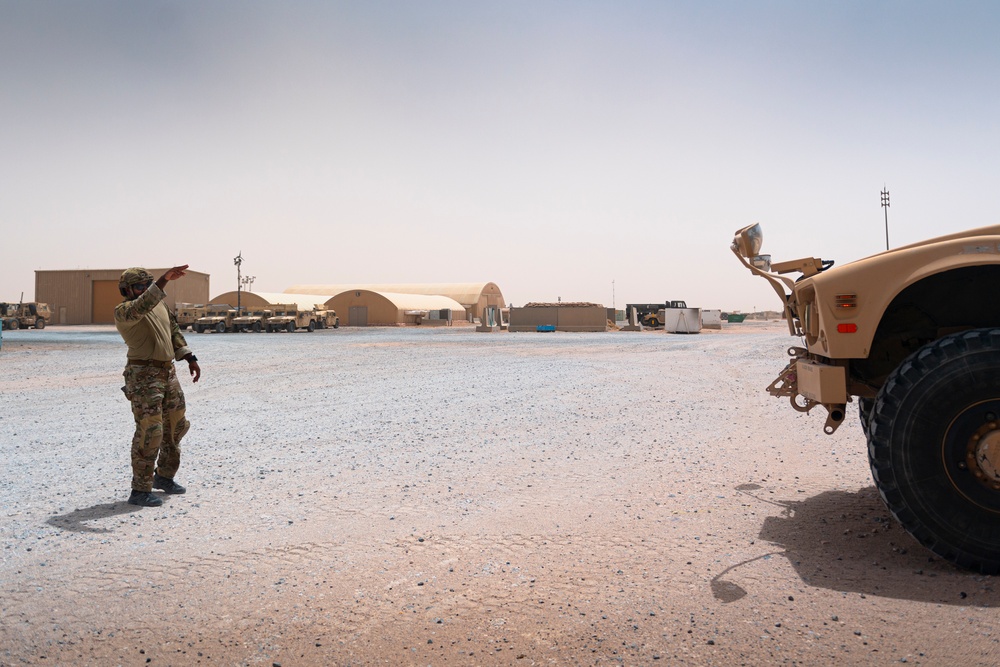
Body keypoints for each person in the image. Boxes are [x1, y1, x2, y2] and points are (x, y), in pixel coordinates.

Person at [115, 265, 202, 507]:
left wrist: (189, 357)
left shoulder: (159, 305)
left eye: (147, 285)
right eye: (140, 286)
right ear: (127, 290)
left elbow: (173, 331)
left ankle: (164, 477)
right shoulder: (124, 311)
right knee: (150, 431)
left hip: (167, 373)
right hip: (144, 376)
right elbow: (141, 305)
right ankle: (139, 490)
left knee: (176, 425)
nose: (144, 290)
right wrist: (163, 280)